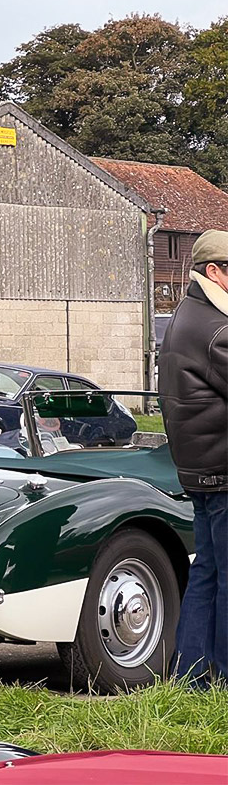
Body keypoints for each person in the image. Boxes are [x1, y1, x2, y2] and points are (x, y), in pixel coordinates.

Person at [159, 229, 228, 687]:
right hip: (224, 471)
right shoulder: (217, 329)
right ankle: (221, 676)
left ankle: (191, 676)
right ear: (214, 271)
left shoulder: (186, 316)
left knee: (207, 570)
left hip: (199, 470)